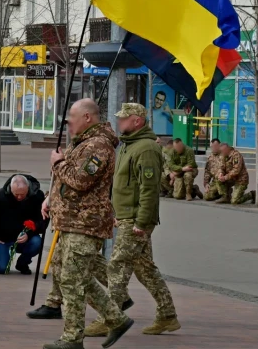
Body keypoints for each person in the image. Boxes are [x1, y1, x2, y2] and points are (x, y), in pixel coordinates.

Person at [44, 98, 133, 349]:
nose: (69, 124)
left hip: (85, 223)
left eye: (72, 118)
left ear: (87, 118)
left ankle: (72, 339)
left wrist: (57, 163)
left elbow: (80, 180)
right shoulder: (82, 142)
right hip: (70, 220)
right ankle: (116, 319)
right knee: (66, 276)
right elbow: (66, 183)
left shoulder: (98, 145)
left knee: (73, 280)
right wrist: (50, 198)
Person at [98, 103, 178, 337]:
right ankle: (167, 316)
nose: (119, 122)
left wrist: (141, 222)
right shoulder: (128, 145)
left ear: (137, 121)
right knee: (145, 269)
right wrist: (117, 213)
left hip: (136, 219)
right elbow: (124, 185)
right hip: (126, 217)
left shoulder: (145, 149)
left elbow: (149, 189)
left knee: (117, 266)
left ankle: (110, 319)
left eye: (124, 119)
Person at [0, 174, 46, 275]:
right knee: (1, 269)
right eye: (16, 194)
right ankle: (4, 255)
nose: (19, 197)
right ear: (10, 188)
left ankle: (23, 263)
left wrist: (29, 234)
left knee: (37, 242)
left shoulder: (38, 196)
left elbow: (43, 221)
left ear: (28, 188)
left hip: (25, 238)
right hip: (3, 240)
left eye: (22, 194)